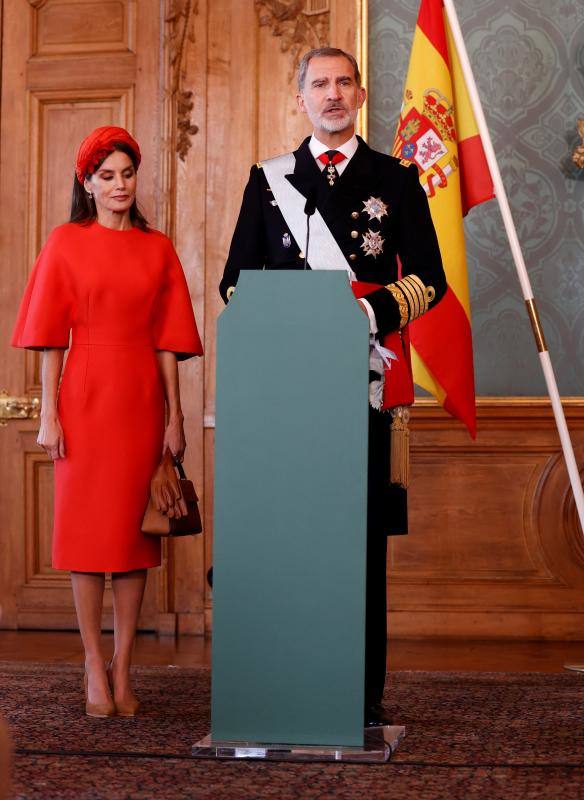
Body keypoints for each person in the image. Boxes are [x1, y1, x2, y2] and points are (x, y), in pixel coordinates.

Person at [220, 47, 447, 727]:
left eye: (343, 82)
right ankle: (293, 674)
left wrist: (366, 315)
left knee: (360, 537)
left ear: (358, 94)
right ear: (300, 99)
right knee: (294, 534)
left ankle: (361, 692)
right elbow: (236, 280)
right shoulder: (269, 181)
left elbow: (430, 277)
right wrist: (299, 324)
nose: (333, 94)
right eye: (319, 84)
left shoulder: (396, 178)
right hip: (289, 393)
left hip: (362, 385)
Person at [11, 126, 203, 717]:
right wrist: (49, 413)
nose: (120, 185)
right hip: (85, 397)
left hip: (141, 397)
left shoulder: (159, 247)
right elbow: (50, 341)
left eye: (127, 173)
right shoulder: (66, 242)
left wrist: (174, 417)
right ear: (87, 183)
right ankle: (93, 665)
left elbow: (169, 342)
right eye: (107, 175)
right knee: (87, 538)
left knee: (132, 537)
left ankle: (124, 670)